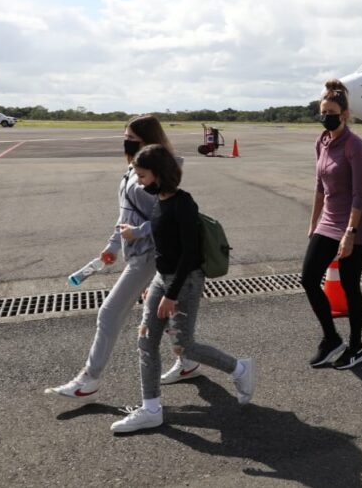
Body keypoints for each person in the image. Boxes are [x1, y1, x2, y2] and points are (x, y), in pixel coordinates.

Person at [45, 115, 196, 401]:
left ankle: (88, 379)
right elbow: (125, 213)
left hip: (150, 255)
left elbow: (166, 220)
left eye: (131, 138)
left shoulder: (158, 174)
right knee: (160, 313)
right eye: (124, 135)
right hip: (136, 252)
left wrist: (135, 234)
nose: (125, 141)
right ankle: (188, 361)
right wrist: (112, 246)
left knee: (109, 313)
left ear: (148, 140)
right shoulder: (134, 169)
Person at [109, 144, 254, 433]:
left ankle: (240, 369)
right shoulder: (160, 200)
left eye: (143, 176)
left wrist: (171, 295)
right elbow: (160, 237)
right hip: (164, 278)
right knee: (146, 341)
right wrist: (152, 279)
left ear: (160, 174)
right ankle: (151, 409)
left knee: (184, 345)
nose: (139, 182)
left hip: (185, 281)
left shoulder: (183, 204)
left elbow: (190, 255)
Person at [302, 79, 362, 370]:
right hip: (328, 220)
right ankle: (331, 338)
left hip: (355, 222)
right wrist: (313, 224)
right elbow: (319, 187)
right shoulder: (322, 141)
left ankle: (356, 346)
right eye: (322, 111)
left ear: (343, 114)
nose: (325, 116)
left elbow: (359, 194)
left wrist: (349, 234)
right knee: (308, 279)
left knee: (349, 285)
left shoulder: (354, 145)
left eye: (330, 111)